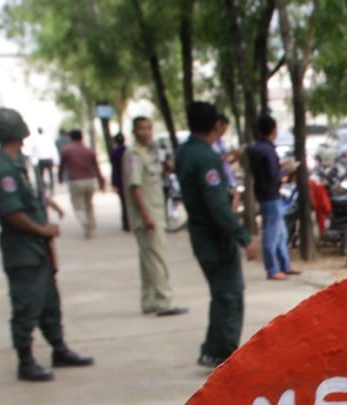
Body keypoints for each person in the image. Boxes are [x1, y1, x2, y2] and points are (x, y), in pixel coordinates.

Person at [0, 107, 94, 381]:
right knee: (26, 305)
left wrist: (49, 207)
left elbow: (32, 196)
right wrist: (42, 229)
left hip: (39, 248)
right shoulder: (3, 170)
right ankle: (26, 360)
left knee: (49, 301)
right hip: (23, 251)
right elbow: (12, 213)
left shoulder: (22, 163)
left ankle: (59, 349)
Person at [176, 100, 258, 368]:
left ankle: (212, 349)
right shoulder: (207, 158)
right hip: (215, 237)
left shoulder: (185, 152)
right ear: (215, 125)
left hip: (201, 235)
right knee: (229, 295)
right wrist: (243, 237)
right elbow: (216, 206)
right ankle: (223, 353)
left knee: (220, 294)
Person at [124, 116, 187, 317]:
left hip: (155, 211)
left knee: (148, 259)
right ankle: (164, 301)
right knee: (157, 258)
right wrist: (145, 214)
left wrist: (165, 171)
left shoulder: (149, 153)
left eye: (149, 128)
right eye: (141, 129)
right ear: (134, 131)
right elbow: (135, 187)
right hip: (148, 215)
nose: (146, 133)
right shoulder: (133, 154)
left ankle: (149, 300)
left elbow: (150, 180)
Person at [248, 114, 300, 280]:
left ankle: (285, 265)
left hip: (265, 194)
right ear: (273, 130)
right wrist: (287, 170)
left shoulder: (256, 148)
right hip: (271, 195)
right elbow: (273, 175)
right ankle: (272, 269)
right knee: (271, 234)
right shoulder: (268, 150)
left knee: (281, 233)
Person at [57, 128, 104, 238]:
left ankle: (86, 223)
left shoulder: (66, 150)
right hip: (90, 180)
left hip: (76, 180)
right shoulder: (89, 151)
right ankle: (91, 225)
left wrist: (60, 178)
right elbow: (96, 168)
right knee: (89, 205)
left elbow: (62, 166)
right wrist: (101, 181)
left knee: (78, 206)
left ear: (70, 137)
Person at [26, 126, 57, 200]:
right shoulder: (48, 139)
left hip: (40, 160)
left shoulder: (35, 140)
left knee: (41, 176)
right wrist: (56, 160)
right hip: (48, 158)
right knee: (51, 175)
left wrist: (32, 160)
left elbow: (32, 151)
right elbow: (53, 149)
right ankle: (52, 189)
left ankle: (42, 189)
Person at [109, 132, 129, 231]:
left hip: (120, 180)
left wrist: (114, 183)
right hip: (128, 178)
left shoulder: (114, 152)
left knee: (124, 203)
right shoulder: (129, 151)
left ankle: (126, 223)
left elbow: (115, 168)